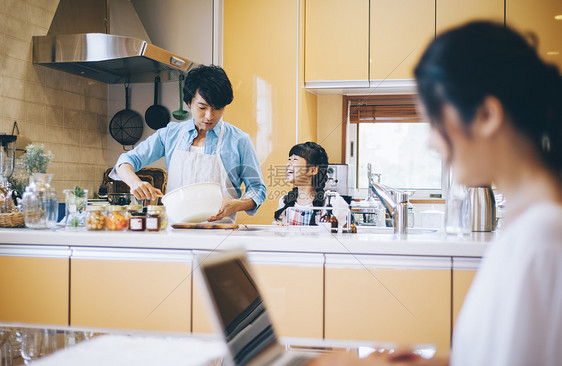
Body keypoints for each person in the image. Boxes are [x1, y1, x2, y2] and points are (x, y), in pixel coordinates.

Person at [308, 21, 562, 366]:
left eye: (435, 122)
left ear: (487, 115)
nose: (430, 141)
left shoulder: (544, 237)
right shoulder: (528, 224)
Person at [111, 65, 266, 223]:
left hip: (219, 234)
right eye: (202, 107)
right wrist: (135, 183)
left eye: (217, 108)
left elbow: (258, 189)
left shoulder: (239, 140)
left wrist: (236, 204)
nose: (209, 116)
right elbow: (125, 161)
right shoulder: (170, 134)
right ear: (189, 102)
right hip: (176, 234)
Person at [273, 142, 349, 227]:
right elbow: (278, 236)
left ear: (313, 170)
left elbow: (343, 235)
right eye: (289, 159)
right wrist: (280, 230)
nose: (288, 164)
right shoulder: (285, 201)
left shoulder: (333, 202)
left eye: (295, 159)